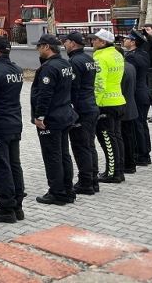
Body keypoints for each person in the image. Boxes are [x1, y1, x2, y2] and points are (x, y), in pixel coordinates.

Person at [30, 34, 77, 205]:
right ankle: (68, 189)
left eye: (39, 47)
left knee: (53, 156)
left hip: (52, 118)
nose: (37, 50)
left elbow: (45, 94)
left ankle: (57, 192)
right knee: (64, 154)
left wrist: (39, 116)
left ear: (46, 47)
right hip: (64, 115)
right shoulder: (65, 63)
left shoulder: (49, 68)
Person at [0, 36, 26, 223]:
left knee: (1, 166)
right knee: (14, 165)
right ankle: (17, 206)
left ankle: (6, 207)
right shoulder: (16, 69)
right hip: (14, 122)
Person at [60, 32, 100, 195]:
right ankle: (93, 180)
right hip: (91, 105)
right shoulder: (89, 58)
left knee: (81, 146)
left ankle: (85, 182)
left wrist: (72, 111)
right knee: (90, 145)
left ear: (73, 43)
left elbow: (73, 89)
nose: (64, 45)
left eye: (66, 42)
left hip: (81, 109)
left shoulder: (74, 62)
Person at [90, 29, 126, 184]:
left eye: (95, 39)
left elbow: (99, 83)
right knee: (116, 137)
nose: (92, 42)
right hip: (118, 100)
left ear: (103, 42)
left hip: (106, 104)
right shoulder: (117, 54)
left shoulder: (100, 58)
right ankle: (119, 170)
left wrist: (95, 104)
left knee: (107, 139)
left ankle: (112, 173)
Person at [123, 30, 152, 166]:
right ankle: (145, 152)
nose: (124, 40)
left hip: (136, 94)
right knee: (142, 124)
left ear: (133, 42)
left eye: (127, 38)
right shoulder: (144, 54)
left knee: (137, 124)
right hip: (145, 92)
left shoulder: (130, 58)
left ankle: (141, 154)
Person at [118, 42, 139, 176]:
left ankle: (128, 164)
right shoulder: (130, 66)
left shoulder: (121, 69)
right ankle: (131, 163)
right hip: (131, 106)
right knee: (129, 136)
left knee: (124, 137)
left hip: (123, 107)